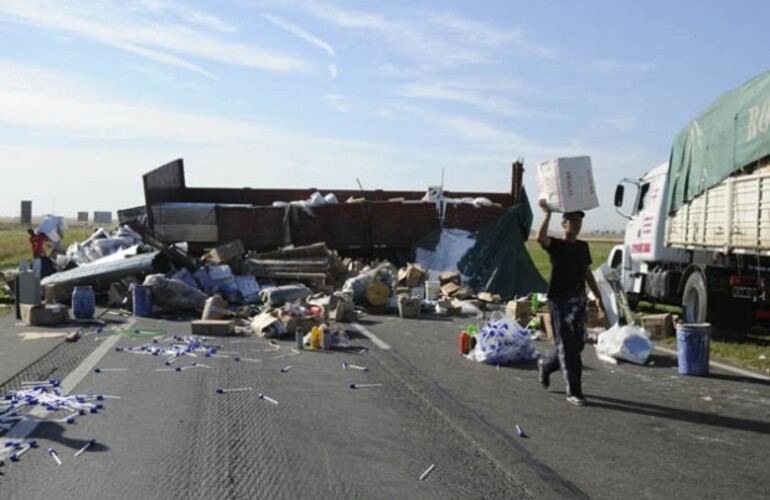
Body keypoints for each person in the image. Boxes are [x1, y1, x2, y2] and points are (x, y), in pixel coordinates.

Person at [536, 200, 606, 406]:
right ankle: (574, 391)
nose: (576, 225)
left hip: (578, 302)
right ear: (564, 224)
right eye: (572, 221)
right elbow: (540, 238)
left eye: (579, 222)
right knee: (568, 347)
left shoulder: (583, 247)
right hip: (559, 302)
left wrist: (597, 296)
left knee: (577, 344)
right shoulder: (556, 246)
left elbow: (586, 273)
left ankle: (546, 364)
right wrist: (547, 214)